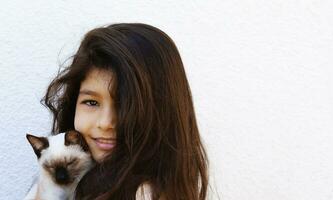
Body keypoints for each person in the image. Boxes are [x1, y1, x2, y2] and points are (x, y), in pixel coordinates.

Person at [41, 23, 209, 200]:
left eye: (123, 105)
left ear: (162, 112)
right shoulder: (82, 180)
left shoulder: (143, 194)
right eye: (91, 102)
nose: (105, 123)